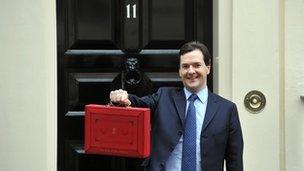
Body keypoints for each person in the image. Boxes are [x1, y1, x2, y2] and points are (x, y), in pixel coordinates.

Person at [110, 41, 243, 171]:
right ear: (179, 71)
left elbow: (234, 160)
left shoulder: (227, 110)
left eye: (197, 65)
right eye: (185, 66)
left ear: (208, 68)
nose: (191, 71)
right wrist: (122, 97)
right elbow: (138, 103)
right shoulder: (163, 97)